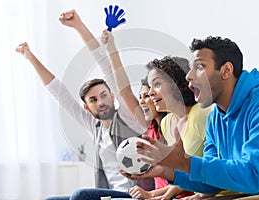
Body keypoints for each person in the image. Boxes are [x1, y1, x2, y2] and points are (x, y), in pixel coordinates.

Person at [15, 9, 155, 200]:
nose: (101, 102)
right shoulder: (94, 126)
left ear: (113, 96)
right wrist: (31, 57)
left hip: (133, 193)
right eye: (94, 100)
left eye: (104, 95)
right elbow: (60, 94)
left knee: (80, 195)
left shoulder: (127, 117)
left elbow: (107, 68)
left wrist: (79, 27)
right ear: (87, 107)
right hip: (109, 193)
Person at [125, 36, 259, 199]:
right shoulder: (216, 117)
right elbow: (212, 182)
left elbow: (253, 175)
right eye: (189, 69)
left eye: (199, 67)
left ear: (226, 70)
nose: (188, 76)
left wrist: (184, 162)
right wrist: (168, 171)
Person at [102, 30, 213, 199]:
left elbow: (211, 170)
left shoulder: (202, 115)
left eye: (157, 85)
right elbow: (178, 174)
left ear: (176, 84)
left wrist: (154, 195)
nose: (150, 94)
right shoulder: (167, 122)